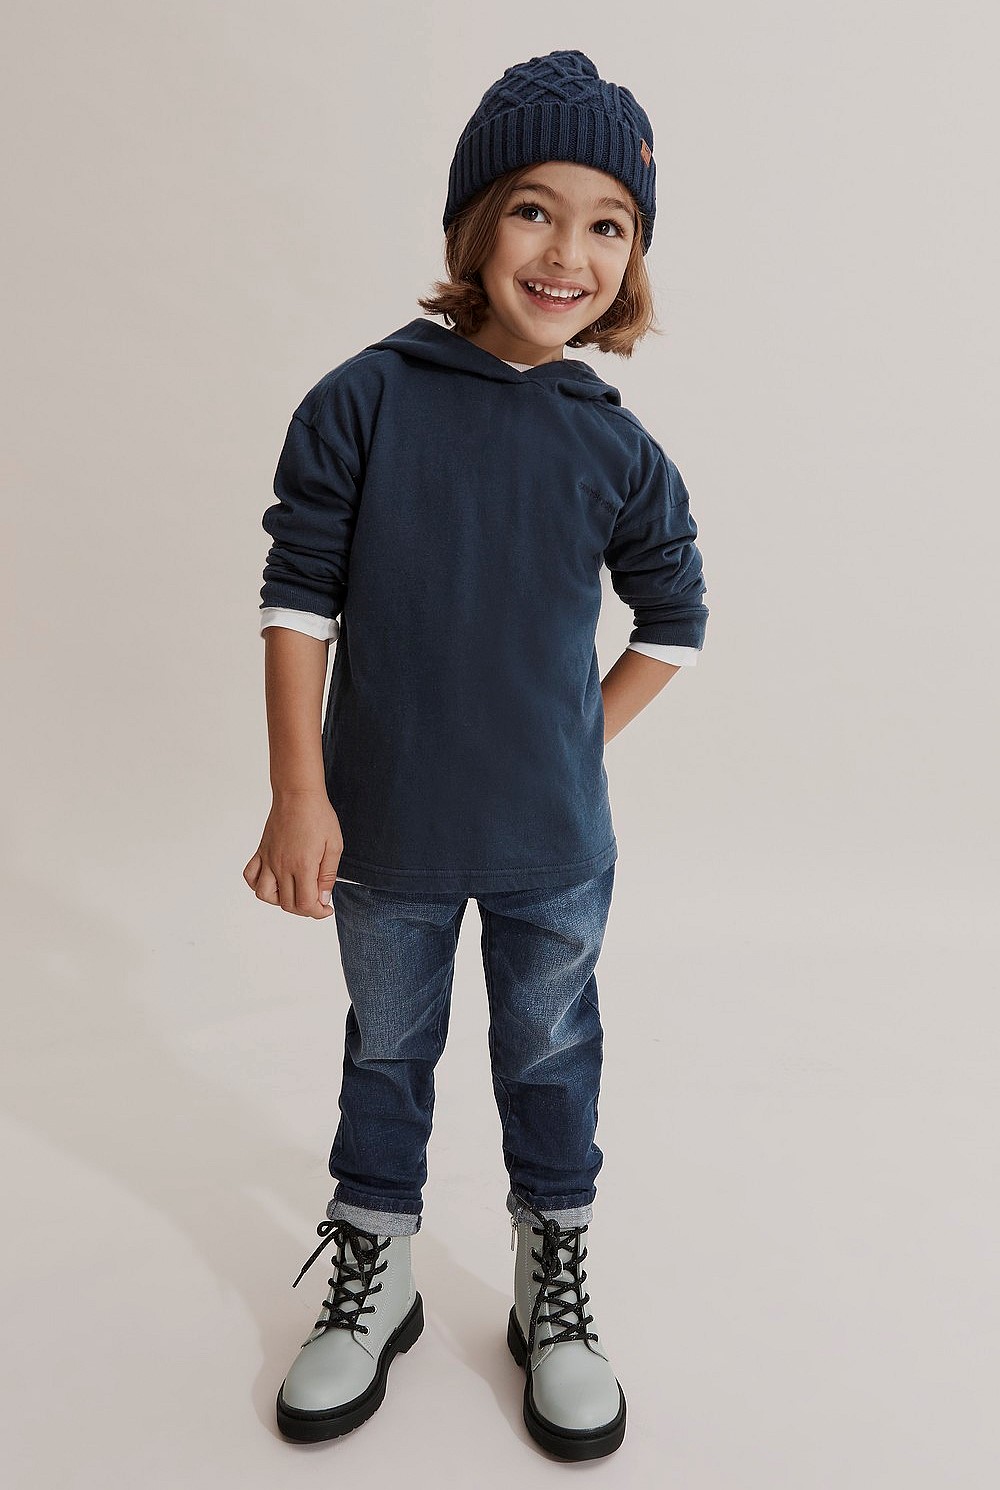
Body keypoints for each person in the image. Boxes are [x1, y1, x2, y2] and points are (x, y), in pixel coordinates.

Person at [243, 49, 709, 1461]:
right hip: (382, 831)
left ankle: (549, 1287)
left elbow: (676, 620)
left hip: (554, 848)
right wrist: (300, 791)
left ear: (631, 259)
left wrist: (573, 740)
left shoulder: (615, 449)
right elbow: (296, 600)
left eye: (607, 224)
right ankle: (374, 1270)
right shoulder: (366, 400)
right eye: (533, 210)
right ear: (473, 224)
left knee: (551, 1056)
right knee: (388, 1050)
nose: (567, 252)